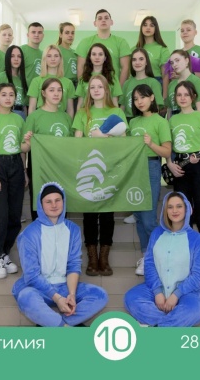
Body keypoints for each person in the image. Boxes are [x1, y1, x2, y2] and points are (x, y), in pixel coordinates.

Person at [13, 182, 109, 327]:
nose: (54, 205)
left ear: (63, 202)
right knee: (25, 297)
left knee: (100, 295)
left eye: (58, 200)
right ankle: (62, 327)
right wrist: (57, 299)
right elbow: (31, 275)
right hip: (38, 288)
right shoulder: (29, 234)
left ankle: (58, 323)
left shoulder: (73, 229)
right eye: (48, 201)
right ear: (41, 204)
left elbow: (73, 265)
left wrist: (71, 295)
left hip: (64, 285)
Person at [124, 191, 200, 327]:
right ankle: (170, 324)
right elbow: (149, 264)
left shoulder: (198, 240)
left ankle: (156, 326)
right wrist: (158, 292)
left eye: (179, 206)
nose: (174, 211)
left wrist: (176, 295)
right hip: (157, 288)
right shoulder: (156, 233)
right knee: (131, 298)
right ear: (165, 210)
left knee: (193, 311)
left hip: (187, 292)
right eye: (170, 207)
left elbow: (199, 276)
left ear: (186, 209)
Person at [72, 75, 128, 276]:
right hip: (87, 167)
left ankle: (104, 258)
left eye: (100, 87)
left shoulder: (116, 111)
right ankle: (92, 258)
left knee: (107, 213)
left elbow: (124, 140)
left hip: (110, 167)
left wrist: (103, 136)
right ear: (88, 91)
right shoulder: (82, 112)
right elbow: (77, 142)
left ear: (106, 90)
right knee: (89, 213)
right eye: (92, 87)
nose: (96, 90)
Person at [0, 83, 32, 278]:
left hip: (16, 166)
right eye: (4, 94)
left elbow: (23, 148)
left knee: (15, 216)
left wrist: (28, 144)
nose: (8, 98)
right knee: (0, 215)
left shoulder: (19, 119)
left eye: (11, 94)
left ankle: (5, 253)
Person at [167, 81, 200, 277]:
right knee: (181, 214)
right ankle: (183, 258)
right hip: (180, 169)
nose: (182, 98)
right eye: (179, 95)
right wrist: (170, 163)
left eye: (186, 94)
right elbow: (168, 146)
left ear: (193, 97)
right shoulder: (171, 120)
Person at [128, 84, 171, 275]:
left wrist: (151, 144)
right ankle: (146, 256)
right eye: (136, 99)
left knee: (148, 217)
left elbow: (167, 152)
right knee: (138, 216)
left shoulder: (160, 122)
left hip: (151, 166)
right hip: (134, 170)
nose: (139, 102)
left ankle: (157, 258)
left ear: (152, 97)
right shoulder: (132, 123)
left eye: (143, 97)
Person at [24, 78, 73, 220]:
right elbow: (24, 148)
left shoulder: (66, 117)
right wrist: (28, 142)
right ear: (43, 93)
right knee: (40, 200)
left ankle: (60, 230)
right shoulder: (34, 116)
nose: (56, 93)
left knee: (60, 199)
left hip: (61, 167)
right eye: (51, 90)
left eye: (59, 90)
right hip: (40, 169)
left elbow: (71, 145)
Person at [76, 9, 132, 86]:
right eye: (100, 18)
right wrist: (84, 88)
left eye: (106, 18)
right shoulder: (85, 42)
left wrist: (119, 89)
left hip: (113, 87)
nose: (103, 20)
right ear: (95, 23)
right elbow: (80, 67)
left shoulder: (121, 42)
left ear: (111, 22)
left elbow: (125, 67)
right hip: (91, 89)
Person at [27, 45, 75, 117]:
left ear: (60, 59)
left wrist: (69, 123)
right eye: (49, 56)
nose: (53, 59)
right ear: (44, 59)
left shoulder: (68, 83)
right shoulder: (36, 81)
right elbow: (32, 108)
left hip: (61, 119)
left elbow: (70, 109)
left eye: (56, 56)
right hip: (41, 119)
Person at [119, 48, 164, 119]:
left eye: (141, 59)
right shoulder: (126, 83)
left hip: (147, 121)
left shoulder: (154, 83)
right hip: (128, 121)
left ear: (146, 62)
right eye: (134, 60)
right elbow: (122, 107)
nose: (137, 62)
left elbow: (156, 110)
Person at [75, 43, 122, 109]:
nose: (97, 57)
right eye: (94, 54)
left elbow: (115, 102)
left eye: (100, 54)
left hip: (107, 114)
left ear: (105, 58)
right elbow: (80, 103)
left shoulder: (112, 77)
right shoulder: (84, 77)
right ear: (90, 57)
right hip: (87, 114)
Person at [165, 49, 200, 117]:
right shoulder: (171, 84)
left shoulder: (196, 81)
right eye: (172, 63)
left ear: (186, 60)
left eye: (177, 60)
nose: (174, 64)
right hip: (174, 120)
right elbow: (169, 109)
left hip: (190, 119)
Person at [0, 45, 29, 119]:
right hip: (3, 114)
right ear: (8, 58)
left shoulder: (24, 80)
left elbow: (24, 105)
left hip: (21, 115)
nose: (16, 59)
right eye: (12, 56)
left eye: (19, 56)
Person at [136, 16, 170, 95]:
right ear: (141, 28)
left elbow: (165, 74)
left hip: (156, 84)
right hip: (137, 84)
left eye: (151, 25)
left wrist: (164, 96)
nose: (148, 28)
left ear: (156, 29)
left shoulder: (162, 48)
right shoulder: (134, 49)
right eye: (145, 25)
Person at [21, 22, 45, 88]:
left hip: (38, 90)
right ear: (28, 35)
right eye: (33, 32)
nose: (36, 35)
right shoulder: (20, 50)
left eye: (39, 32)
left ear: (43, 36)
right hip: (23, 90)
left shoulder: (44, 54)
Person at [56, 22, 78, 87]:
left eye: (72, 33)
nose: (70, 35)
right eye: (67, 33)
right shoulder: (56, 51)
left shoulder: (75, 53)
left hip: (75, 85)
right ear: (60, 34)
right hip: (62, 84)